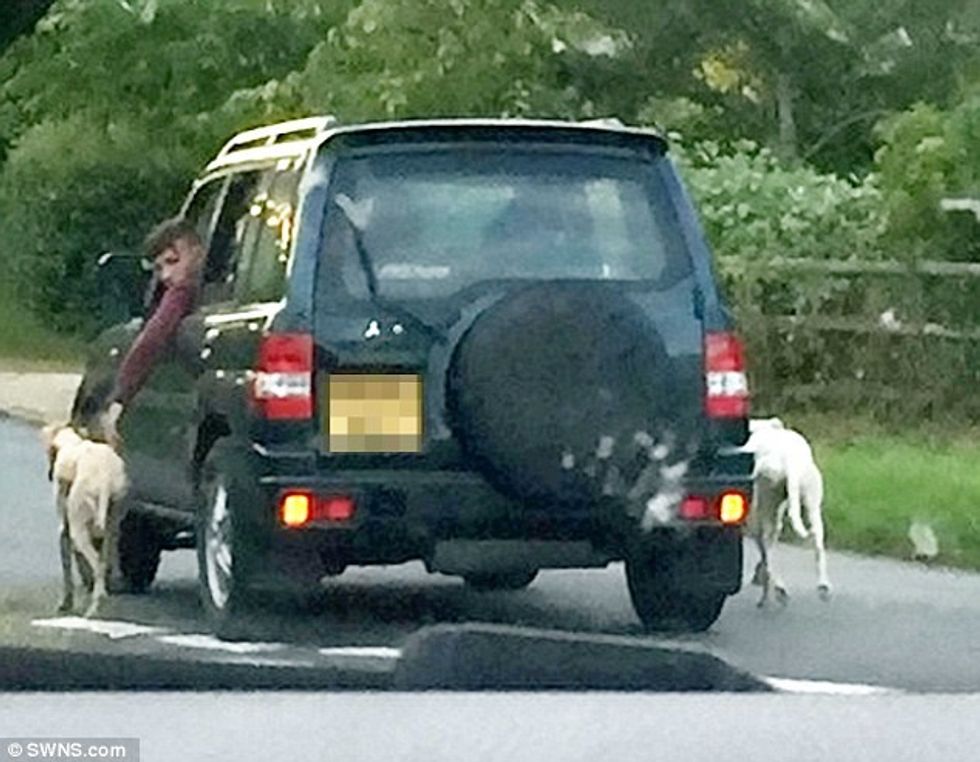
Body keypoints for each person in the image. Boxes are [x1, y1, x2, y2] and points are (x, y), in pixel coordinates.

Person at [99, 218, 205, 440]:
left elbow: (153, 339)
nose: (166, 275)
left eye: (172, 261)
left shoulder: (182, 292)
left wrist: (120, 398)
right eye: (159, 268)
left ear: (199, 252)